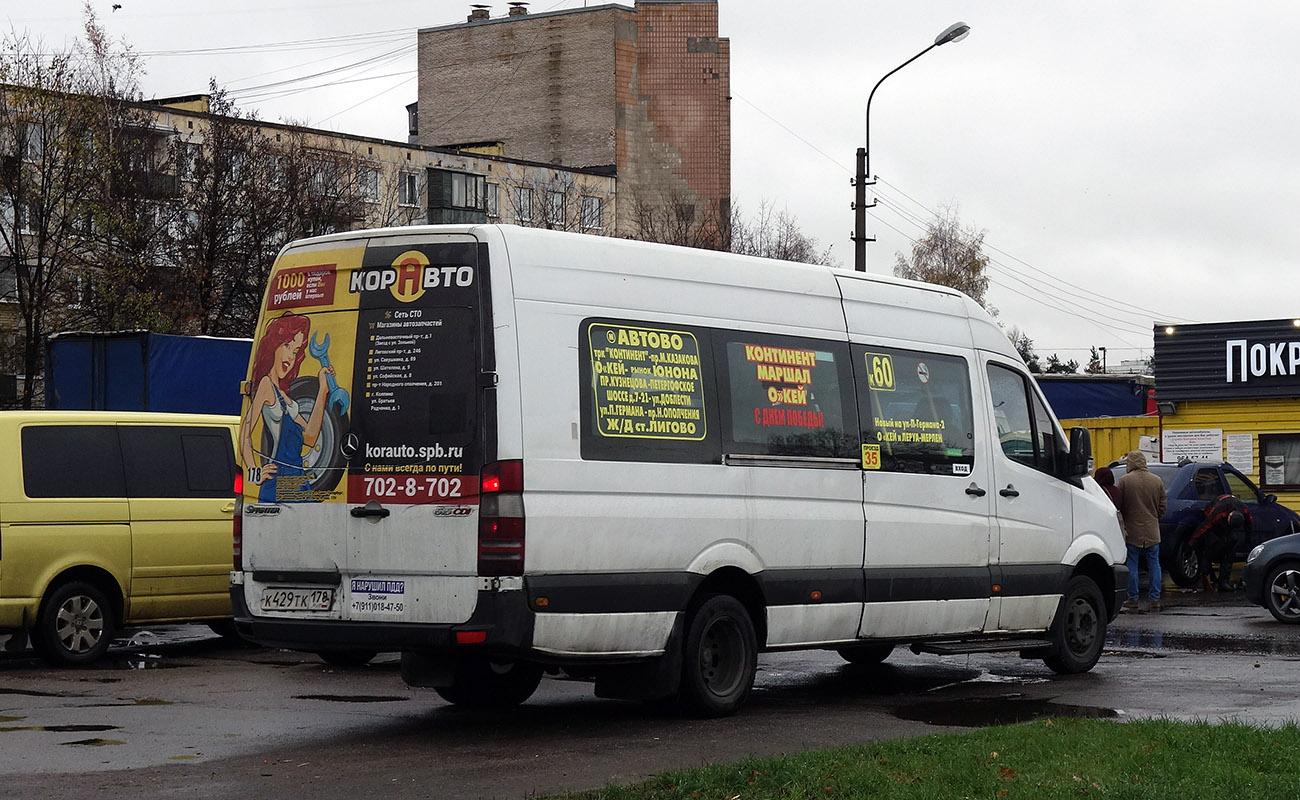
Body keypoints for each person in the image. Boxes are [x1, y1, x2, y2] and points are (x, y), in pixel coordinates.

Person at [239, 311, 335, 503]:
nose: (291, 356)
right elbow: (244, 434)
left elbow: (309, 436)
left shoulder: (286, 397)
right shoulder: (266, 385)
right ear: (274, 345)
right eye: (287, 345)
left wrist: (323, 390)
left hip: (297, 479)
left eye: (295, 350)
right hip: (277, 481)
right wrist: (254, 472)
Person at [1117, 450, 1167, 612]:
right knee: (1154, 564)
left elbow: (1119, 505)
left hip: (1132, 530)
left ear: (1130, 463)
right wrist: (1154, 517)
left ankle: (1133, 598)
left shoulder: (1125, 481)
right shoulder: (1157, 480)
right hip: (1152, 529)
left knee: (1132, 564)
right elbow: (1162, 506)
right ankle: (1155, 598)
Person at [1187, 493, 1252, 592]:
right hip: (1211, 514)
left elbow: (1250, 524)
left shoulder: (1244, 509)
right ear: (1229, 517)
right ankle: (1207, 572)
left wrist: (1248, 539)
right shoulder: (1218, 512)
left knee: (1232, 543)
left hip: (1227, 515)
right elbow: (1204, 527)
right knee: (1210, 545)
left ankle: (1223, 582)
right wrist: (1191, 543)